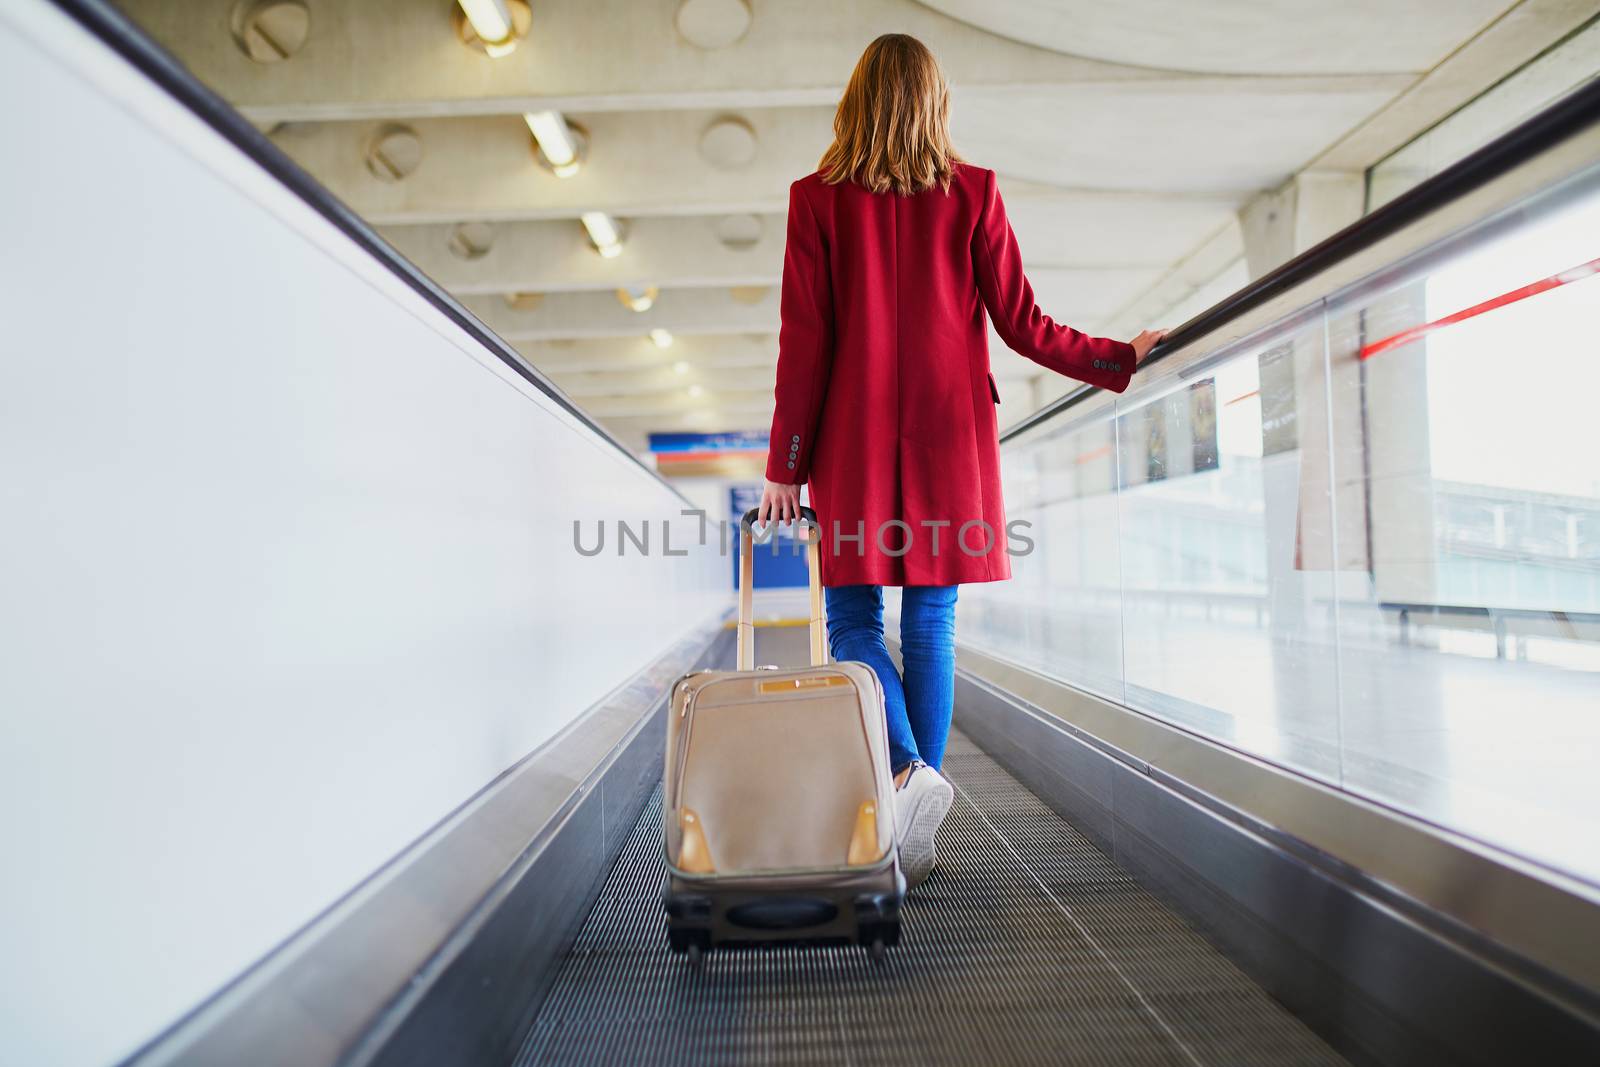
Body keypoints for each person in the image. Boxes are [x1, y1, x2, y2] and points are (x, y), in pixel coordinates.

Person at [757, 34, 1165, 888]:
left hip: (850, 441)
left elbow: (807, 346)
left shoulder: (815, 201)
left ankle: (907, 774)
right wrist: (1114, 357)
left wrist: (785, 464)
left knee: (856, 622)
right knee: (930, 622)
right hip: (951, 438)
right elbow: (1023, 321)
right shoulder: (972, 193)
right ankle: (919, 795)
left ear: (855, 100)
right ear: (936, 104)